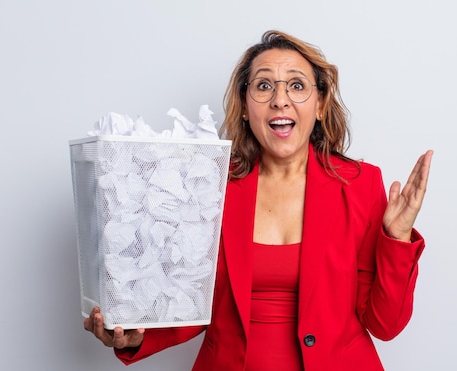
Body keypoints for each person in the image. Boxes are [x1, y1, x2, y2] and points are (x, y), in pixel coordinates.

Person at [84, 30, 433, 370]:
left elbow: (385, 324)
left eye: (296, 85)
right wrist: (134, 335)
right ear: (246, 107)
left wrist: (397, 238)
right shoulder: (209, 182)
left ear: (321, 104)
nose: (280, 99)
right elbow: (192, 305)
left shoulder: (359, 184)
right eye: (264, 85)